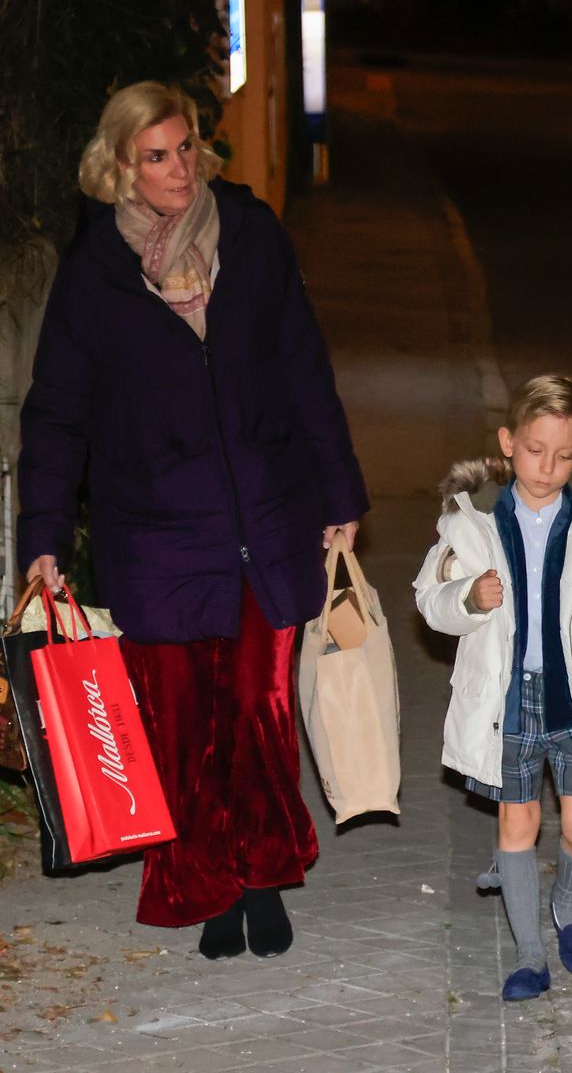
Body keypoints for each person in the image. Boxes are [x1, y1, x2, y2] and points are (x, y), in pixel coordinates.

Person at [17, 81, 368, 960]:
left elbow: (304, 366)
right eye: (157, 156)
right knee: (181, 718)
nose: (179, 170)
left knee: (257, 707)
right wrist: (45, 539)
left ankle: (262, 874)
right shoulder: (94, 272)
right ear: (121, 167)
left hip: (266, 517)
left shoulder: (249, 234)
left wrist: (342, 495)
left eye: (185, 150)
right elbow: (56, 412)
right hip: (155, 531)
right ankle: (205, 883)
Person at [414, 375, 572, 1000]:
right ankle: (528, 953)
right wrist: (468, 596)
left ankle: (569, 901)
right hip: (506, 701)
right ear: (507, 442)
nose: (545, 467)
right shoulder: (470, 518)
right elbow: (429, 598)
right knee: (517, 825)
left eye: (562, 455)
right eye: (532, 450)